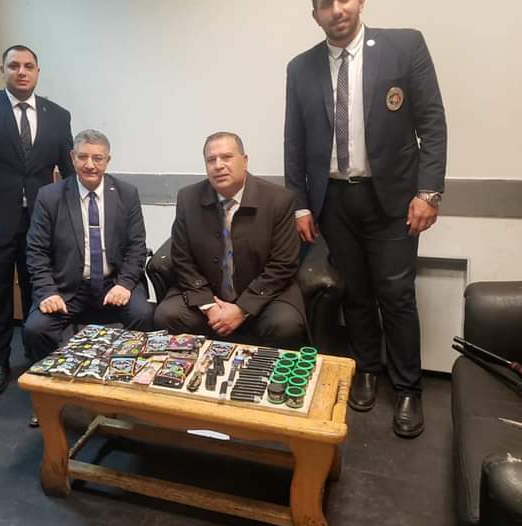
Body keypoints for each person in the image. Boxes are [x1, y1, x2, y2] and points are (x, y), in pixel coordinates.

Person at [284, 0, 447, 438]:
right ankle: (367, 369)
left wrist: (428, 193)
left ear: (359, 2)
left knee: (396, 295)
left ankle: (408, 387)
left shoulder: (405, 46)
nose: (336, 10)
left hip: (391, 198)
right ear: (314, 15)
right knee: (354, 293)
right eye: (324, 4)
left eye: (343, 0)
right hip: (334, 200)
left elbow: (432, 123)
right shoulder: (301, 68)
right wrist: (300, 204)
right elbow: (294, 141)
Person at [0, 45, 74, 396]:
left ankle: (38, 359)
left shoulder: (58, 115)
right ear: (2, 69)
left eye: (29, 66)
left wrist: (69, 220)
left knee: (39, 294)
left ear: (38, 72)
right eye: (14, 65)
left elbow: (68, 173)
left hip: (40, 225)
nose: (22, 71)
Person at [154, 132, 307, 348]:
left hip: (264, 294)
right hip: (209, 292)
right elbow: (182, 258)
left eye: (226, 157)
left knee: (285, 324)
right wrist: (209, 306)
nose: (218, 165)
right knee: (168, 315)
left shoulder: (278, 199)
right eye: (211, 160)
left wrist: (242, 308)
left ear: (244, 161)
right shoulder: (188, 198)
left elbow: (283, 263)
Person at [24, 129, 154, 366]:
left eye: (97, 158)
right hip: (67, 286)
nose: (90, 165)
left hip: (113, 282)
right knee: (36, 329)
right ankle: (50, 380)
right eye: (83, 157)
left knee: (143, 315)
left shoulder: (126, 193)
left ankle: (129, 374)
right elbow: (36, 251)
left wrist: (125, 284)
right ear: (72, 157)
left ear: (108, 160)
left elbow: (137, 246)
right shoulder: (50, 196)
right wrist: (48, 291)